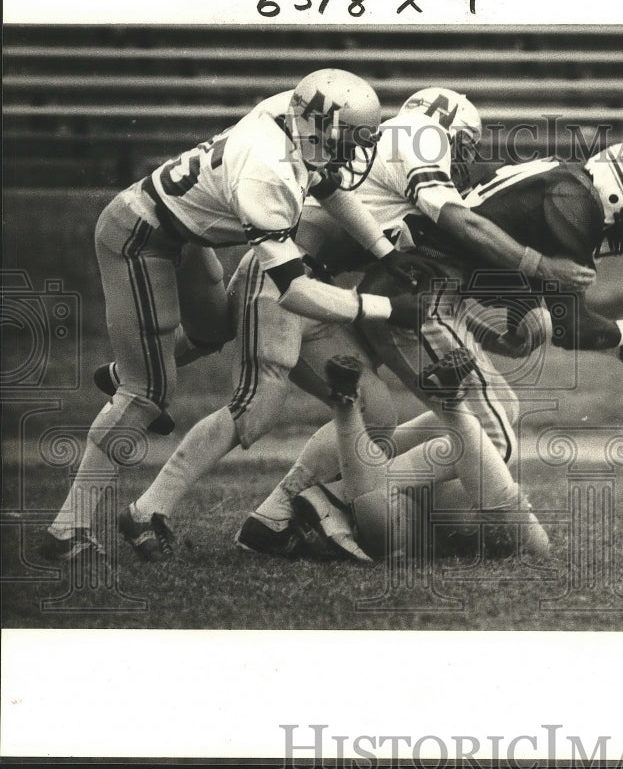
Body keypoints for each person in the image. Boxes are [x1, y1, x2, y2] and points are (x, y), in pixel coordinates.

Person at [39, 68, 439, 563]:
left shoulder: (293, 120)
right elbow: (293, 291)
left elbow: (328, 185)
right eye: (347, 140)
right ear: (316, 125)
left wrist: (383, 252)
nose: (352, 154)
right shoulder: (266, 170)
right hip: (139, 237)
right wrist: (386, 307)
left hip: (183, 234)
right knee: (148, 395)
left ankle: (128, 372)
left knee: (210, 331)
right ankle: (67, 528)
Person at [235, 87, 597, 555]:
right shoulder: (422, 140)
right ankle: (325, 501)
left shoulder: (386, 152)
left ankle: (275, 515)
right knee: (250, 414)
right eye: (465, 146)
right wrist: (542, 267)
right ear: (451, 130)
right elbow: (460, 227)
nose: (464, 161)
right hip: (293, 286)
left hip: (309, 289)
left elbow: (425, 269)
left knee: (374, 410)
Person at [282, 142, 623, 559]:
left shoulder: (561, 180)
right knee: (497, 442)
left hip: (420, 293)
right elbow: (571, 326)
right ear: (620, 199)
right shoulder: (574, 203)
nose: (620, 235)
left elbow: (543, 305)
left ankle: (325, 495)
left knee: (496, 415)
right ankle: (339, 497)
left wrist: (618, 348)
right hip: (422, 301)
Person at [298, 349, 549, 563]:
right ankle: (449, 405)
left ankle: (350, 406)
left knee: (385, 521)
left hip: (398, 485)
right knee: (530, 544)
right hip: (425, 491)